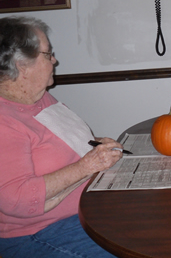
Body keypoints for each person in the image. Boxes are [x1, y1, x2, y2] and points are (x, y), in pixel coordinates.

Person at [0, 16, 122, 258]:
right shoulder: (5, 120)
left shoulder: (39, 97)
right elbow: (17, 200)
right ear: (23, 66)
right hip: (39, 233)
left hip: (86, 211)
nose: (54, 60)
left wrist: (97, 144)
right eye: (47, 54)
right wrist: (89, 165)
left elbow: (58, 144)